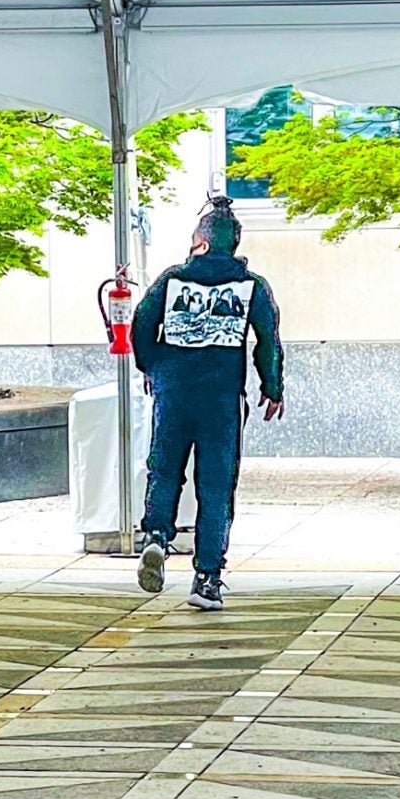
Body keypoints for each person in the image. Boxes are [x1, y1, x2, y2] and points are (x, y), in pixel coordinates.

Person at [130, 195, 283, 612]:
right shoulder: (253, 286)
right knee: (216, 487)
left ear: (199, 240)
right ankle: (207, 579)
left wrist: (153, 367)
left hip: (174, 392)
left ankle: (157, 537)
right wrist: (272, 388)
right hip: (221, 400)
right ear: (233, 244)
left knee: (163, 470)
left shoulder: (171, 279)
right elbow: (267, 342)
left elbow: (142, 323)